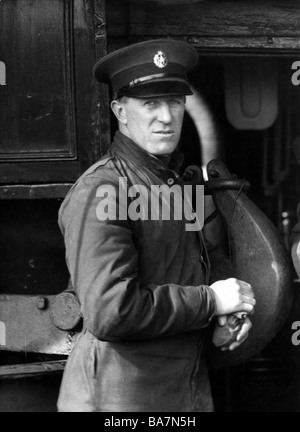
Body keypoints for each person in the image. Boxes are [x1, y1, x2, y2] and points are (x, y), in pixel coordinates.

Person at [56, 39, 255, 412]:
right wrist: (210, 301)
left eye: (175, 102)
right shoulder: (103, 190)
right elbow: (111, 312)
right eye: (150, 104)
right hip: (120, 398)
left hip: (183, 388)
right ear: (120, 111)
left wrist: (229, 312)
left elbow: (203, 257)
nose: (166, 117)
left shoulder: (173, 183)